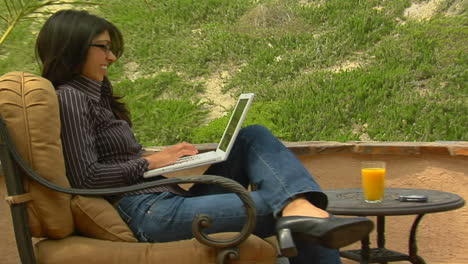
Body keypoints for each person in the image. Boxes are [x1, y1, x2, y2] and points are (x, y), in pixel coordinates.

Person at [35, 9, 373, 264]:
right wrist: (150, 162)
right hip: (148, 213)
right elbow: (86, 177)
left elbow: (111, 160)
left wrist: (158, 158)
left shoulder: (95, 95)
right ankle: (300, 207)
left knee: (251, 136)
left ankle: (298, 205)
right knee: (283, 205)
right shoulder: (70, 97)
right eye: (103, 48)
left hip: (165, 198)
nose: (112, 57)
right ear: (73, 48)